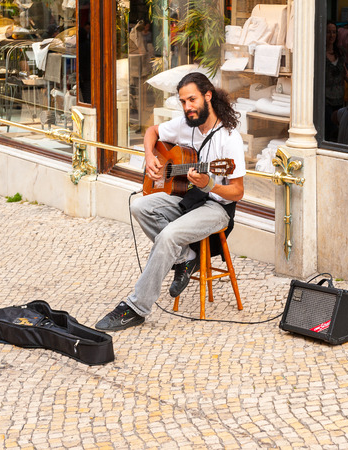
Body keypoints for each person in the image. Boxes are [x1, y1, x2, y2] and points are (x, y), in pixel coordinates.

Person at [95, 72, 246, 332]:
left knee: (168, 236)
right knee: (139, 206)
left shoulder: (229, 138)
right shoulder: (185, 126)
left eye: (192, 100)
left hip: (216, 207)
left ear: (208, 96)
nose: (188, 107)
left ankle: (136, 307)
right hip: (188, 198)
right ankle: (186, 257)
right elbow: (152, 132)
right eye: (183, 102)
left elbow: (238, 191)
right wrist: (150, 157)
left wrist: (209, 184)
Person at [325, 21, 348, 141]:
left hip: (339, 98)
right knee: (330, 130)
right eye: (328, 32)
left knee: (338, 128)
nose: (331, 35)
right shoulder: (319, 53)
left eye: (334, 32)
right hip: (325, 99)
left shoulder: (340, 52)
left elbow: (344, 70)